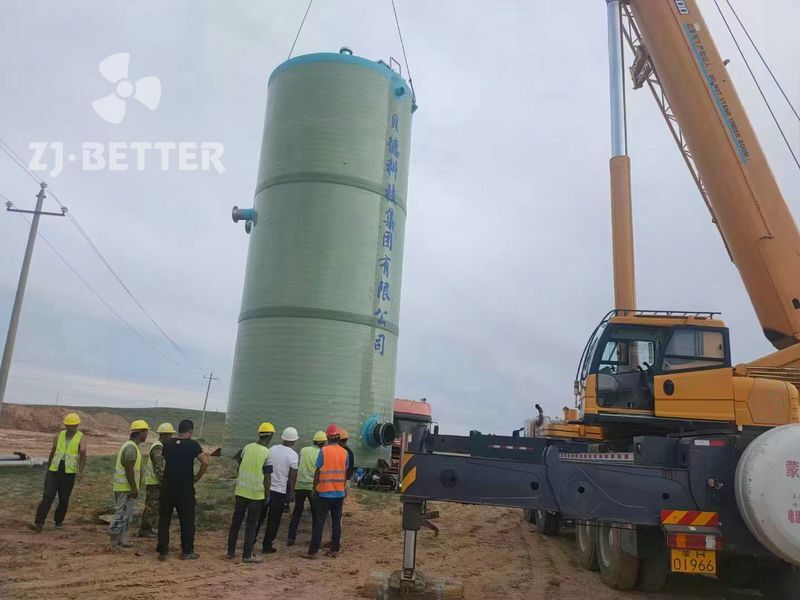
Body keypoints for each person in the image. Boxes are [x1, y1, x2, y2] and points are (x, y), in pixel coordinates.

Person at [156, 419, 208, 561]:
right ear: (190, 431)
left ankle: (162, 550)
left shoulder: (167, 444)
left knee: (164, 519)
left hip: (167, 487)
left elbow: (164, 460)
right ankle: (187, 551)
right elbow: (205, 462)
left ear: (179, 430)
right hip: (184, 488)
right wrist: (197, 477)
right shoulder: (193, 445)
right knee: (187, 520)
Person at [31, 412, 87, 531]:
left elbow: (83, 454)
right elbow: (53, 451)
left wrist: (80, 471)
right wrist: (49, 466)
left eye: (73, 426)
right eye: (68, 425)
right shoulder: (59, 435)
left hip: (69, 472)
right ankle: (39, 523)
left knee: (64, 498)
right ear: (65, 425)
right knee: (47, 496)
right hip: (54, 470)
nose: (70, 428)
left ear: (77, 425)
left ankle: (58, 521)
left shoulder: (81, 437)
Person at [227, 422, 274, 563]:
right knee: (251, 525)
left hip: (241, 491)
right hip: (256, 495)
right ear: (271, 436)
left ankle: (230, 552)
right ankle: (247, 556)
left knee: (236, 522)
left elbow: (238, 461)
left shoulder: (247, 447)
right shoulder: (267, 452)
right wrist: (268, 494)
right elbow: (267, 476)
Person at [304, 423, 349, 559]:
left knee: (319, 523)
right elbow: (345, 473)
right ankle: (334, 550)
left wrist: (313, 488)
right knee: (336, 523)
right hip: (338, 494)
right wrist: (343, 488)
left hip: (323, 493)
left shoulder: (323, 451)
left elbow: (318, 470)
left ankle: (313, 552)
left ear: (328, 437)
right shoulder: (345, 452)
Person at [109, 420, 149, 547]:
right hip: (125, 488)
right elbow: (129, 468)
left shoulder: (131, 446)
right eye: (146, 432)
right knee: (121, 514)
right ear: (141, 432)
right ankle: (114, 541)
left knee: (126, 515)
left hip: (126, 488)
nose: (146, 435)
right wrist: (133, 488)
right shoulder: (131, 448)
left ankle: (121, 540)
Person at [260, 426, 299, 554]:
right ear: (293, 441)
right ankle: (267, 545)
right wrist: (292, 492)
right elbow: (292, 476)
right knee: (274, 520)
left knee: (260, 517)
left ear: (283, 438)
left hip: (266, 488)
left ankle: (251, 541)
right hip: (280, 491)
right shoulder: (293, 455)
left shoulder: (272, 449)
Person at [287, 430, 326, 546]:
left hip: (300, 486)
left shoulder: (303, 450)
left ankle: (291, 538)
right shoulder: (322, 453)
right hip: (312, 487)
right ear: (323, 443)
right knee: (316, 514)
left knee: (296, 512)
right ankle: (314, 540)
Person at [138, 423, 175, 538]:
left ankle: (149, 528)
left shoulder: (160, 446)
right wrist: (165, 482)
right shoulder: (158, 447)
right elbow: (159, 468)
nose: (171, 437)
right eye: (170, 435)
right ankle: (145, 529)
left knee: (154, 506)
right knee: (152, 506)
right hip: (154, 482)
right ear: (164, 435)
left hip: (155, 482)